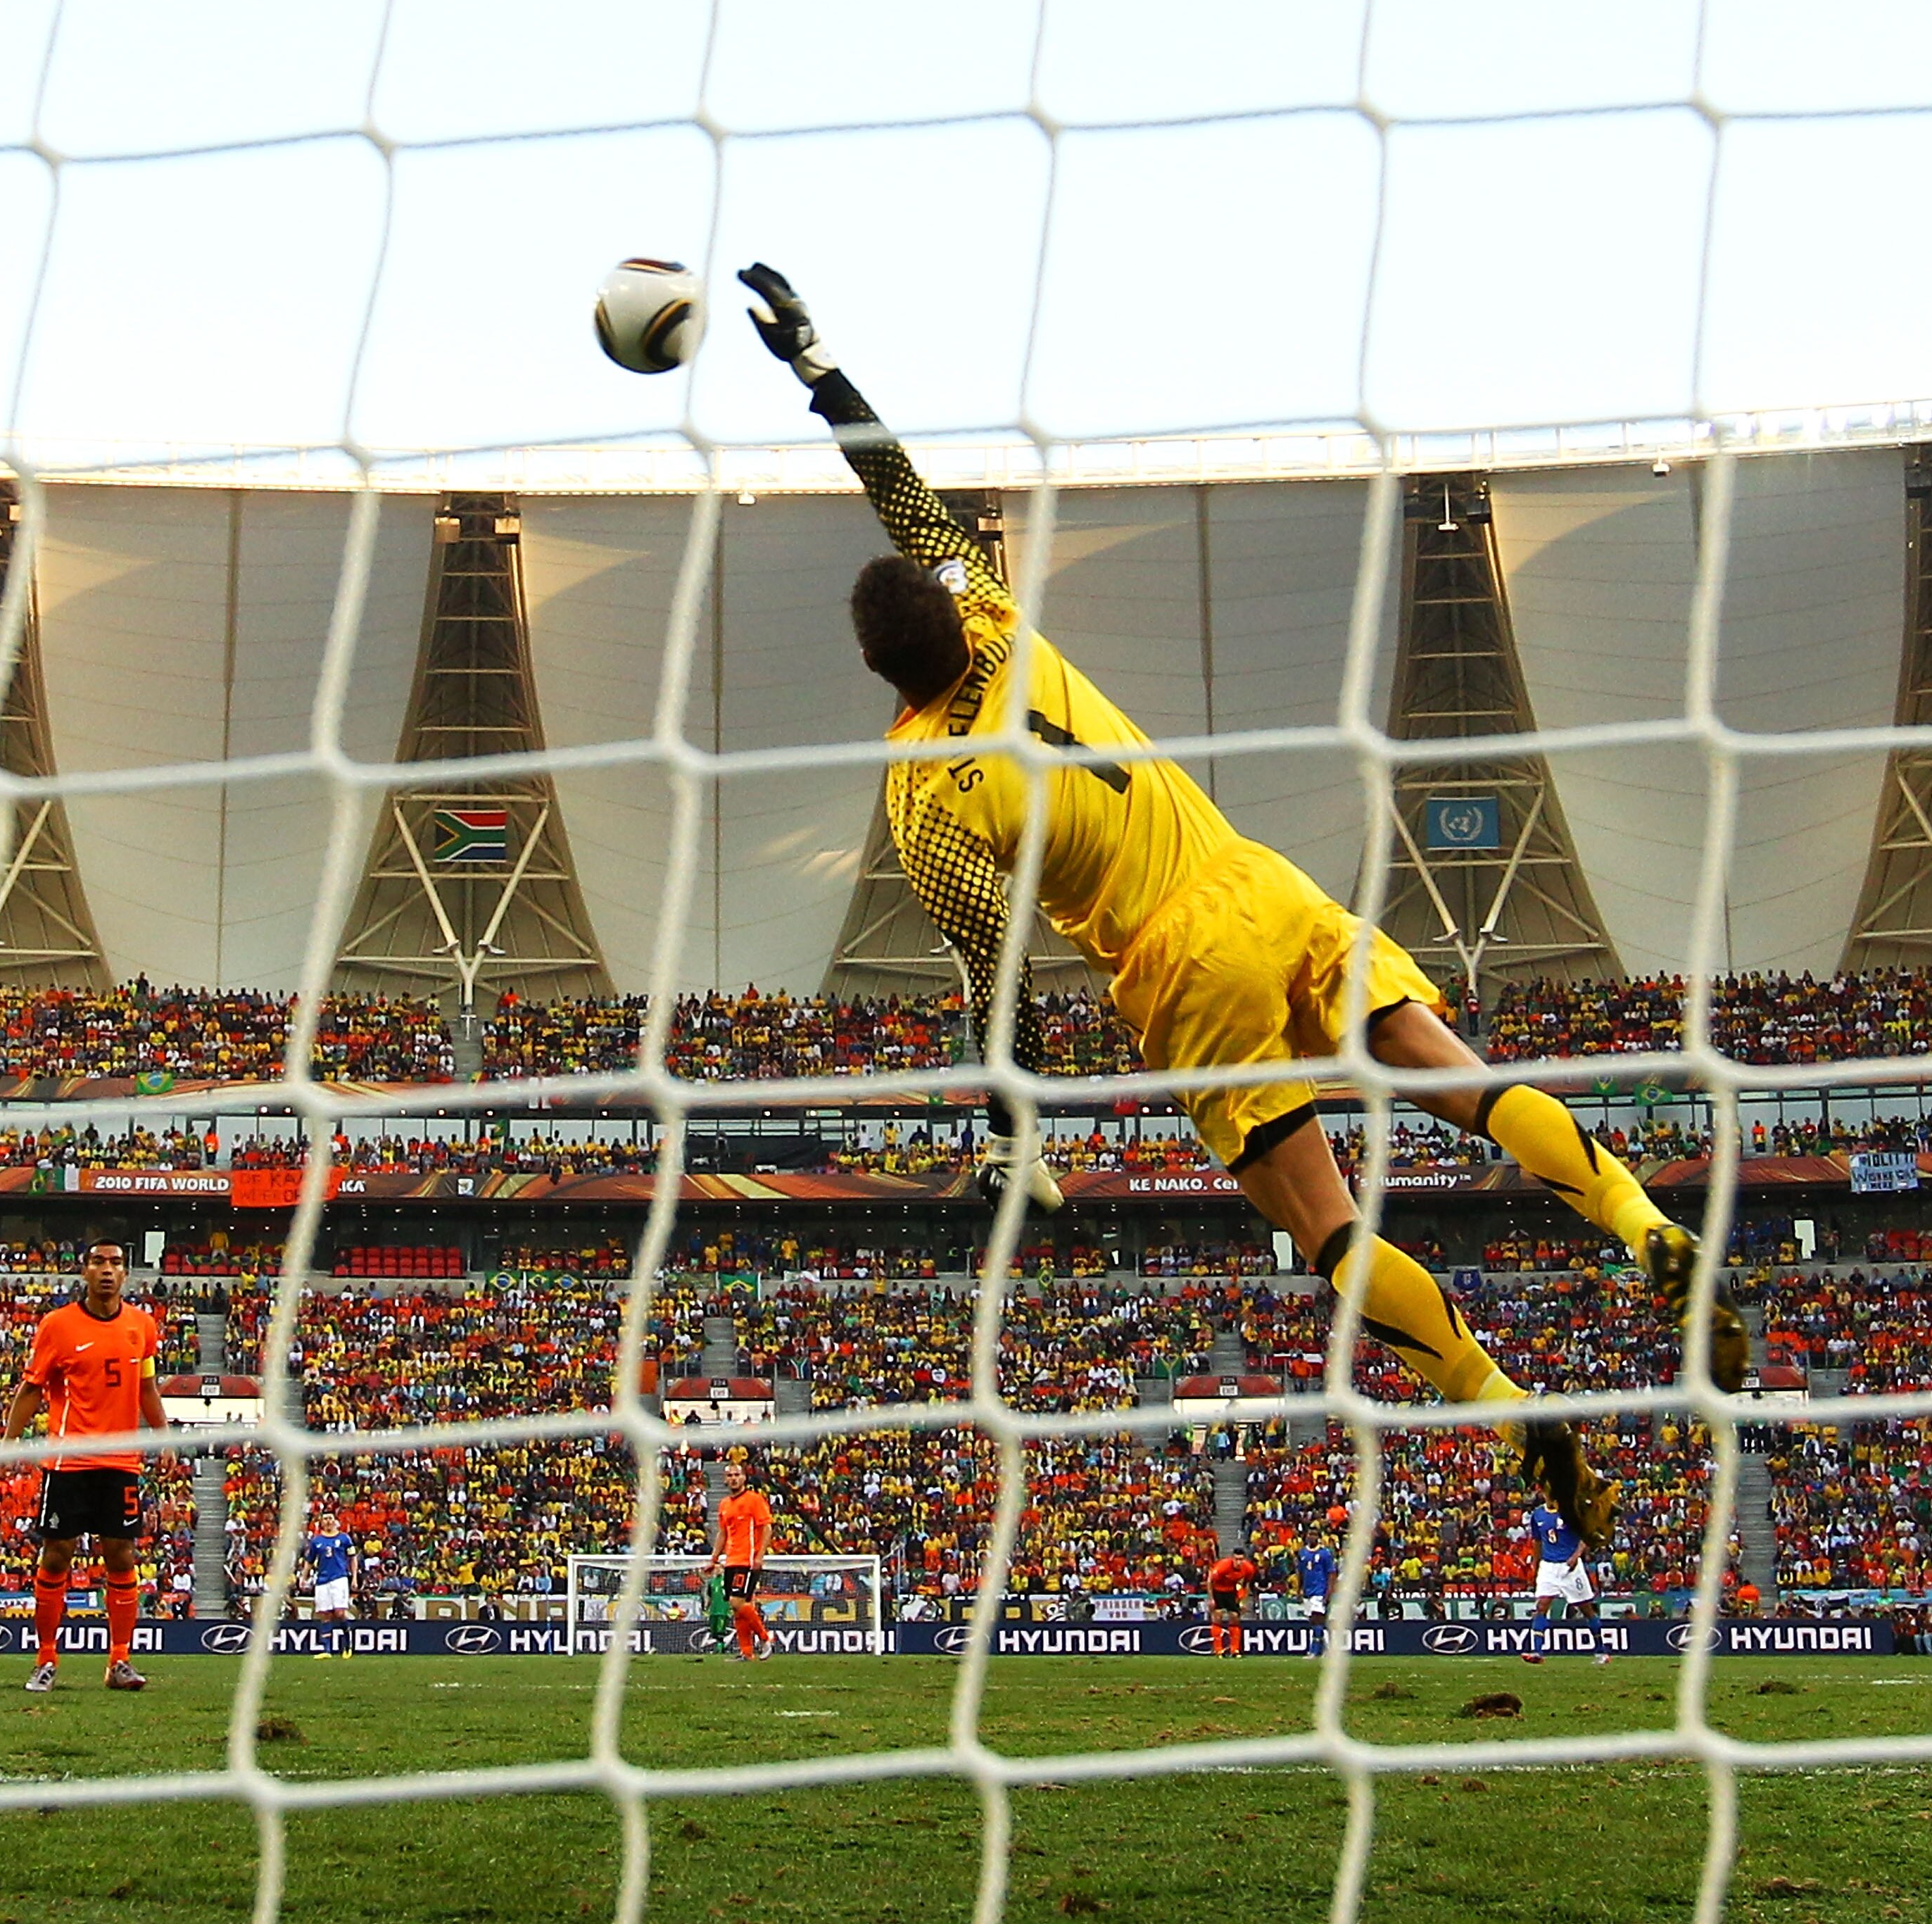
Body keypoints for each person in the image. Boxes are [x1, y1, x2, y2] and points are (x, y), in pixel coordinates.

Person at [726, 263, 1746, 1546]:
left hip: (1174, 965)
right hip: (1256, 877)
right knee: (1459, 1080)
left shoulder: (923, 792)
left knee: (1324, 1224)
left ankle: (1501, 1401)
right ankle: (1638, 1218)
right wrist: (818, 370)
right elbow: (900, 487)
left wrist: (1014, 1135)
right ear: (950, 603)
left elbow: (997, 977)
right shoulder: (994, 614)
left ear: (877, 670)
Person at [0, 1242, 165, 1693]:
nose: (107, 1271)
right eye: (98, 1263)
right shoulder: (57, 1326)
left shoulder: (142, 1326)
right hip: (68, 1460)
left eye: (115, 1264)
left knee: (122, 1555)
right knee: (57, 1554)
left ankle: (120, 1661)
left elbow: (146, 1386)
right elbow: (32, 1389)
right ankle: (46, 1658)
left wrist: (163, 1434)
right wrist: (10, 1441)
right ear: (85, 1272)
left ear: (126, 1274)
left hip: (121, 1460)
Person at [1520, 1499, 1608, 1666]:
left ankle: (1601, 1650)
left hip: (1570, 1567)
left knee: (1586, 1609)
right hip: (1548, 1566)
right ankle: (1537, 1652)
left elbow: (1586, 1534)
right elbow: (1537, 1542)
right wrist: (1536, 1567)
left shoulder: (1570, 1511)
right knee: (1541, 1607)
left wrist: (1577, 1556)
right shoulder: (1538, 1514)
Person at [718, 1455, 774, 1661]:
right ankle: (747, 1652)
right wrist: (714, 1558)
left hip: (747, 1559)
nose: (733, 1479)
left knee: (737, 1601)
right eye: (730, 1476)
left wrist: (760, 1556)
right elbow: (722, 1533)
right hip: (731, 1560)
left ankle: (765, 1639)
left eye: (737, 1475)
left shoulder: (754, 1500)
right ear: (725, 1480)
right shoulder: (724, 1504)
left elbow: (767, 1527)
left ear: (744, 1478)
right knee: (739, 1607)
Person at [301, 1514, 357, 1657]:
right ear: (321, 1522)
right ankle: (327, 1650)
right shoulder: (317, 1541)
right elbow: (310, 1561)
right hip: (322, 1580)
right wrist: (304, 1577)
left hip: (339, 1578)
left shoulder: (344, 1538)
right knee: (325, 1614)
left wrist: (354, 1578)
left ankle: (348, 1646)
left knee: (339, 1612)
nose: (328, 1521)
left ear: (336, 1522)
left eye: (331, 1518)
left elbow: (353, 1558)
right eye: (325, 1519)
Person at [1204, 1551, 1254, 1656]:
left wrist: (1242, 1601)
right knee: (1218, 1616)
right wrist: (1211, 1599)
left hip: (1232, 1591)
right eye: (1236, 1559)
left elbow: (1246, 1585)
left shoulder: (1248, 1569)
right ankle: (1218, 1650)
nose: (1239, 1562)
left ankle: (1235, 1650)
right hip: (1218, 1590)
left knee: (1235, 1617)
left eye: (1241, 1560)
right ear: (1232, 1559)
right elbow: (1210, 1581)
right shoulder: (1223, 1567)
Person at [1296, 1529, 1339, 1635]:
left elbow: (1331, 1574)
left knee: (1318, 1619)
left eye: (1314, 1534)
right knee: (1312, 1621)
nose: (1311, 1537)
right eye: (1310, 1534)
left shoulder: (1325, 1553)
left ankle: (1316, 1650)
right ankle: (1322, 1645)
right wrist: (1299, 1590)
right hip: (1307, 1591)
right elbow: (1301, 1573)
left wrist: (1329, 1592)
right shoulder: (1303, 1553)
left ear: (1319, 1537)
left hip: (1319, 1591)